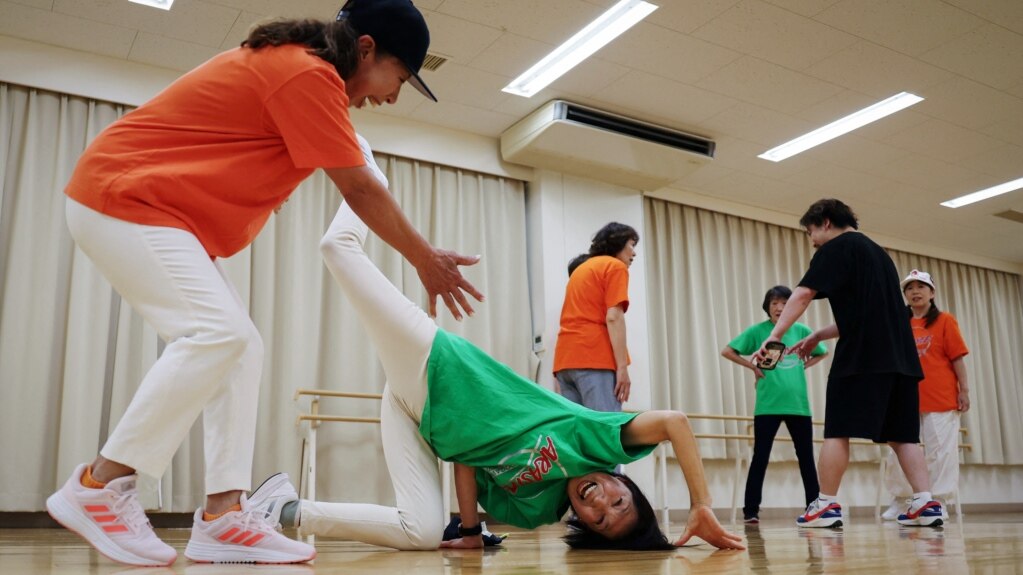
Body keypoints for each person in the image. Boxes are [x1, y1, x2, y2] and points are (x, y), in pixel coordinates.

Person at [46, 0, 484, 567]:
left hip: (156, 211)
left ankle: (225, 516)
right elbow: (361, 190)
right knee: (216, 334)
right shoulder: (309, 72)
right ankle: (99, 486)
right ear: (368, 49)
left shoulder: (301, 72)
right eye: (398, 78)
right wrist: (424, 259)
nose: (392, 95)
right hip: (122, 197)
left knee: (240, 347)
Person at [252, 202, 745, 552]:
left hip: (420, 419)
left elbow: (469, 458)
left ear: (586, 529)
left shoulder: (535, 511)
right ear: (626, 485)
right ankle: (362, 163)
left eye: (603, 522)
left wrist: (469, 529)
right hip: (441, 370)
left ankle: (281, 510)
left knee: (422, 532)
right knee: (338, 248)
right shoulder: (595, 439)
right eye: (621, 501)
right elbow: (676, 422)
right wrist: (701, 505)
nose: (604, 505)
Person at [753, 199, 943, 528]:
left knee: (837, 431)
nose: (811, 239)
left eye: (811, 230)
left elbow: (802, 294)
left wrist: (775, 337)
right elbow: (868, 315)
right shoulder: (880, 256)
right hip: (902, 361)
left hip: (863, 358)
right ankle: (925, 502)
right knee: (903, 436)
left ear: (825, 222)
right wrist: (817, 336)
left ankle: (825, 504)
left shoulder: (837, 247)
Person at [721, 285, 828, 524]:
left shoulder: (802, 331)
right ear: (767, 307)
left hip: (798, 405)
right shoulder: (759, 331)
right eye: (774, 303)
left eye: (784, 303)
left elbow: (823, 352)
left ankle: (814, 508)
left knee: (806, 458)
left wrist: (803, 366)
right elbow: (727, 351)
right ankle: (750, 511)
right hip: (767, 405)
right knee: (761, 457)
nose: (779, 308)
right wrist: (753, 367)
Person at [880, 269, 970, 520]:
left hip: (940, 397)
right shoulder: (900, 322)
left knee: (941, 451)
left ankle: (937, 501)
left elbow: (957, 359)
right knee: (898, 451)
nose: (915, 292)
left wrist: (964, 390)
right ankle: (901, 501)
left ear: (932, 292)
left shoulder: (945, 321)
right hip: (904, 397)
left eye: (921, 286)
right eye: (909, 288)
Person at [553, 223, 639, 411]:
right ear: (618, 242)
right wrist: (622, 369)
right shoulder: (615, 266)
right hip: (594, 357)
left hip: (565, 361)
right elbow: (614, 317)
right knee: (604, 429)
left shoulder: (581, 270)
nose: (634, 253)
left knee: (579, 432)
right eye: (631, 245)